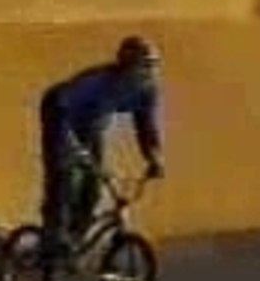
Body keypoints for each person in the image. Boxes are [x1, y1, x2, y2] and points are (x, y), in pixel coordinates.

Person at [38, 35, 165, 257]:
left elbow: (146, 126)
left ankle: (74, 239)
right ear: (126, 67)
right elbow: (60, 105)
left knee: (94, 185)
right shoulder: (97, 82)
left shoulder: (147, 90)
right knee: (63, 176)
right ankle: (53, 237)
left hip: (91, 124)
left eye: (153, 66)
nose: (149, 73)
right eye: (144, 66)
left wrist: (154, 157)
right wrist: (70, 144)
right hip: (59, 114)